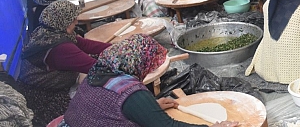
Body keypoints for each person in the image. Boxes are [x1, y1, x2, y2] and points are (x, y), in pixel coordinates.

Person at [59, 34, 237, 127]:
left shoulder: (98, 73)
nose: (150, 71)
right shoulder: (130, 92)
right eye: (151, 65)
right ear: (140, 63)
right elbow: (167, 126)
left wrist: (151, 107)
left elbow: (108, 110)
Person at [15, 0, 112, 126]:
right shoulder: (60, 48)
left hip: (49, 87)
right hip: (45, 98)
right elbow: (96, 68)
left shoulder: (50, 32)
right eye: (73, 20)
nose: (76, 22)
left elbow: (86, 44)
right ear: (62, 21)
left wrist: (116, 47)